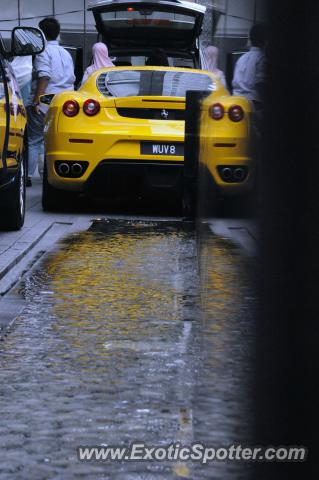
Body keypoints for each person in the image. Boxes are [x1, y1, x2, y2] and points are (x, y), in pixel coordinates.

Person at [26, 17, 75, 186]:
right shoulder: (66, 53)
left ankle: (28, 177)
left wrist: (38, 100)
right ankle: (48, 173)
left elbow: (44, 76)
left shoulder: (43, 51)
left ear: (40, 34)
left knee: (34, 140)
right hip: (66, 100)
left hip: (47, 98)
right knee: (55, 139)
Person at [232, 23, 267, 108]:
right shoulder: (262, 58)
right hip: (253, 104)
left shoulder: (241, 58)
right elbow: (260, 83)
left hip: (235, 102)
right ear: (265, 41)